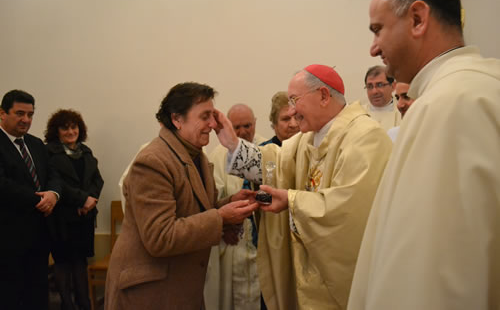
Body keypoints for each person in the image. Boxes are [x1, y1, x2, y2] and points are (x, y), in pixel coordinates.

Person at [348, 0, 500, 309]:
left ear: (418, 19)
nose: (373, 47)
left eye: (378, 29)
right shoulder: (485, 84)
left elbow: (436, 277)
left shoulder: (445, 106)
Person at [215, 65, 393, 310]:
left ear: (322, 95)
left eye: (294, 100)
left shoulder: (364, 136)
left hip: (340, 282)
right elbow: (274, 163)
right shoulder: (309, 138)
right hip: (309, 273)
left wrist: (290, 200)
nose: (291, 111)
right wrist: (234, 145)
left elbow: (349, 208)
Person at [105, 82, 259, 310]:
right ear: (177, 119)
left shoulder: (196, 156)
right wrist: (221, 217)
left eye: (213, 116)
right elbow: (160, 236)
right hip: (150, 292)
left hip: (179, 285)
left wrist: (229, 204)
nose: (213, 125)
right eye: (205, 116)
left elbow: (193, 211)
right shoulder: (153, 161)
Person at [0, 90, 62, 310]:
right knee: (10, 296)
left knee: (37, 294)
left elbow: (53, 174)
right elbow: (3, 185)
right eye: (19, 113)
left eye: (30, 114)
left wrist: (53, 195)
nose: (26, 120)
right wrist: (38, 200)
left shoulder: (36, 144)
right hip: (8, 239)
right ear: (2, 114)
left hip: (40, 234)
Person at [206, 103, 266, 310]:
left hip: (264, 242)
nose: (242, 132)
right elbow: (211, 199)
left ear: (256, 123)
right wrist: (224, 224)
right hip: (234, 244)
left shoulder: (267, 150)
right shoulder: (217, 155)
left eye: (247, 125)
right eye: (237, 127)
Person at [44, 109, 104, 310]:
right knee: (62, 262)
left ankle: (84, 303)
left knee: (80, 260)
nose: (71, 131)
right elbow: (55, 182)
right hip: (61, 218)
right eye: (65, 128)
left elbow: (97, 179)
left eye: (74, 126)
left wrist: (91, 200)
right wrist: (82, 200)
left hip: (85, 217)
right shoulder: (49, 153)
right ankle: (67, 304)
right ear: (57, 131)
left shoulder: (85, 151)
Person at [362, 65, 401, 131]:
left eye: (380, 85)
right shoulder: (359, 113)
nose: (374, 91)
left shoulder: (403, 112)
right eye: (370, 86)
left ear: (393, 86)